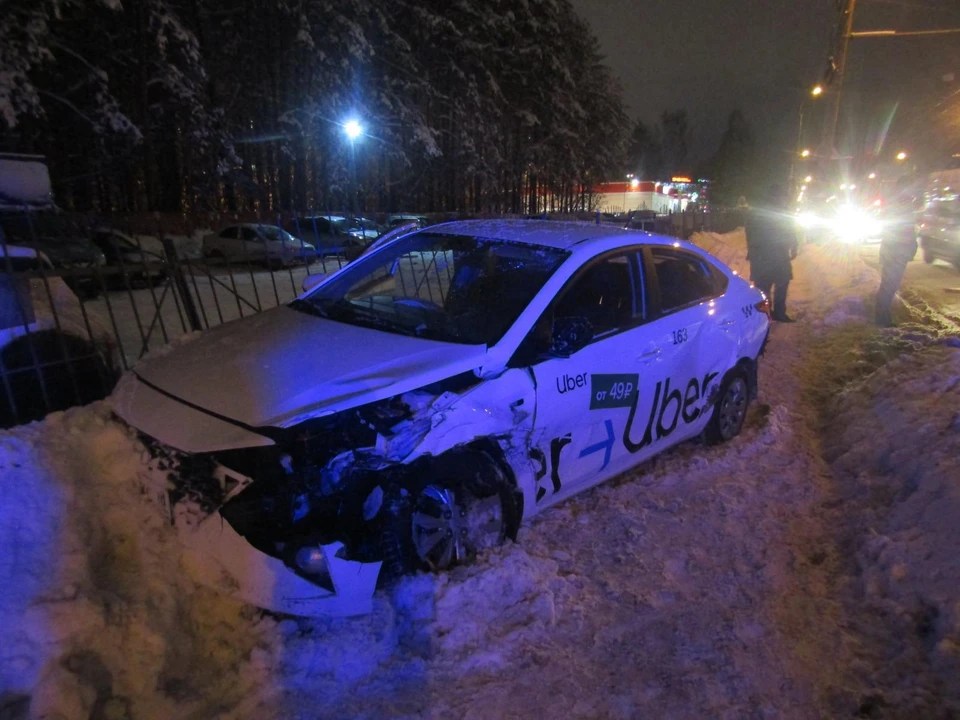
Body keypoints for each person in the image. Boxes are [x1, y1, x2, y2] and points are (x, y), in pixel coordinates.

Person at [744, 184, 798, 322]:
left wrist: (751, 250)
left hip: (761, 255)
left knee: (763, 286)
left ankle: (765, 316)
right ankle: (778, 313)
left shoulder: (756, 212)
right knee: (781, 283)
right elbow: (790, 230)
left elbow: (749, 232)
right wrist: (793, 245)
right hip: (777, 254)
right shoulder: (782, 211)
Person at [875, 190, 919, 327]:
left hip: (896, 254)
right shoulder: (900, 211)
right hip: (895, 255)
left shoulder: (899, 210)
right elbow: (903, 235)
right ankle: (882, 320)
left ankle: (883, 317)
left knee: (889, 286)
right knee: (888, 286)